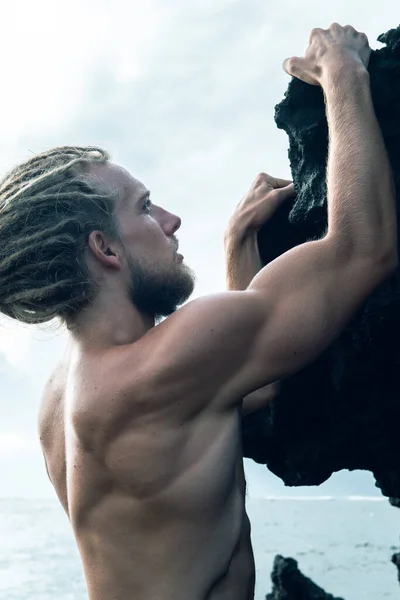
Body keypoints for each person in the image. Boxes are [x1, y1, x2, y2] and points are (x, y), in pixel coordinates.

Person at [0, 23, 396, 600]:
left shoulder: (65, 395)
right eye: (145, 208)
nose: (171, 221)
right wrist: (343, 73)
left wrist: (238, 245)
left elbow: (245, 390)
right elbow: (364, 249)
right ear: (105, 249)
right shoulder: (158, 365)